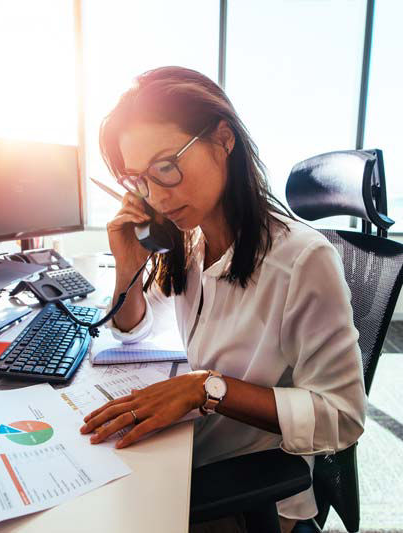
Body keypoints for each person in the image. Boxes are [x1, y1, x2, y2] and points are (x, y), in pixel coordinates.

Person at [79, 66, 366, 532]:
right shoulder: (191, 243)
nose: (156, 195)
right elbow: (132, 329)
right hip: (195, 450)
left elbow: (342, 418)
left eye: (166, 167)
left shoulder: (302, 259)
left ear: (224, 138)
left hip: (251, 493)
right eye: (139, 181)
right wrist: (129, 265)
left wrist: (205, 388)